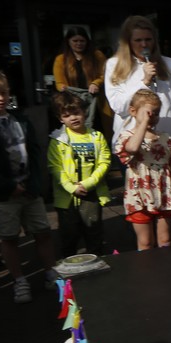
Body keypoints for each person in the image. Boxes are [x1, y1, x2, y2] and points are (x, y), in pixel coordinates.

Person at [105, 15, 171, 241]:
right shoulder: (115, 65)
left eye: (148, 39)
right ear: (128, 42)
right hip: (138, 148)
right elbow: (118, 106)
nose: (144, 45)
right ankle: (149, 253)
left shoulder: (170, 65)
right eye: (138, 40)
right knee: (145, 208)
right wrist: (142, 81)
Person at [0, 68, 58, 304]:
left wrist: (36, 183)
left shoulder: (20, 119)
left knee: (42, 232)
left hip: (29, 190)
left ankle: (51, 272)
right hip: (2, 196)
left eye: (4, 92)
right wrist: (8, 186)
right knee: (9, 238)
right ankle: (19, 280)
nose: (1, 98)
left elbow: (34, 152)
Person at [117, 89, 171, 251]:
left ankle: (166, 266)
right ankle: (146, 266)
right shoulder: (126, 136)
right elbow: (132, 148)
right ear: (133, 111)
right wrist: (142, 124)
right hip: (139, 196)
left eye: (156, 114)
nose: (152, 117)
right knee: (145, 242)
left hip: (164, 194)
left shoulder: (166, 139)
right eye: (148, 113)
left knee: (165, 239)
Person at [48, 89, 110, 257]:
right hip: (67, 197)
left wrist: (88, 184)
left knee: (94, 235)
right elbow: (55, 167)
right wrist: (71, 187)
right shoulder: (57, 140)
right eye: (67, 115)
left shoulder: (96, 137)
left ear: (84, 112)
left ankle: (96, 265)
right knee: (69, 237)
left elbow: (105, 162)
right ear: (60, 118)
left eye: (76, 113)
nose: (73, 118)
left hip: (91, 194)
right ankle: (70, 269)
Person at [52, 28, 109, 133]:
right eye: (75, 41)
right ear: (68, 42)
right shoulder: (61, 59)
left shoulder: (97, 56)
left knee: (98, 130)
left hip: (95, 101)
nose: (79, 44)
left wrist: (96, 83)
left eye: (82, 41)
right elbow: (59, 82)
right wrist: (62, 88)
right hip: (74, 102)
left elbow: (106, 74)